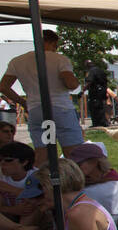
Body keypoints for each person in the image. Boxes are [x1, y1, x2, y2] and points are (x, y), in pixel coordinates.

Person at [0, 29, 82, 164]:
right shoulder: (59, 59)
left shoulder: (17, 61)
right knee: (73, 153)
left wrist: (22, 102)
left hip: (35, 110)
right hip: (60, 109)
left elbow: (3, 87)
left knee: (42, 154)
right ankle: (75, 181)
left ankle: (41, 182)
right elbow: (71, 84)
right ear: (53, 43)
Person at [84, 60, 110, 128]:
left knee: (94, 106)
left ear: (87, 65)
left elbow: (89, 82)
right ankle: (103, 122)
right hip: (102, 91)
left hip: (95, 91)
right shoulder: (100, 70)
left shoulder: (91, 71)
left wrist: (82, 91)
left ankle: (97, 123)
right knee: (100, 106)